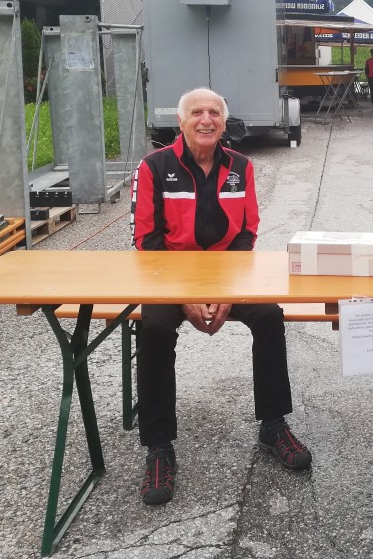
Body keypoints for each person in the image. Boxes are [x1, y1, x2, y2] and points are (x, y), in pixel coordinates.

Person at [130, 87, 312, 506]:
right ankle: (159, 446)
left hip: (229, 274)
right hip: (169, 276)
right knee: (153, 327)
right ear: (181, 121)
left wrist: (228, 290)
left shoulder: (240, 167)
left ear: (224, 123)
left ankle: (273, 425)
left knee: (269, 315)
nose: (206, 119)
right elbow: (146, 240)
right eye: (196, 112)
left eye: (214, 112)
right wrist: (185, 294)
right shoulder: (153, 166)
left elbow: (247, 233)